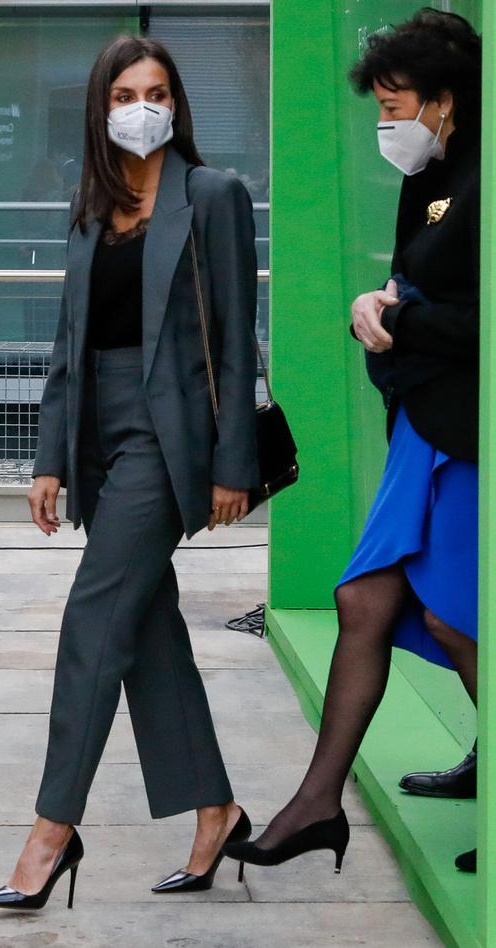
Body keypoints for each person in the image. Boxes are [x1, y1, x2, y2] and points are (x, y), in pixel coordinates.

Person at [0, 34, 259, 911]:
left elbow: (238, 342)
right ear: (102, 108)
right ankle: (216, 810)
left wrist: (231, 462)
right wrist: (50, 458)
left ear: (177, 102)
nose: (148, 105)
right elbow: (69, 344)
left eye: (161, 90)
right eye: (129, 92)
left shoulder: (211, 196)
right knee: (146, 630)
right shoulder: (91, 207)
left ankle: (51, 832)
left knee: (94, 621)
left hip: (165, 440)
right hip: (97, 440)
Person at [224, 9, 481, 876]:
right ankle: (315, 804)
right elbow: (415, 275)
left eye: (396, 103)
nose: (386, 124)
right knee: (364, 600)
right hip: (422, 422)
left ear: (445, 100)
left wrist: (398, 315)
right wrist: (377, 302)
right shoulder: (436, 171)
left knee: (454, 617)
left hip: (466, 434)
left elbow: (473, 319)